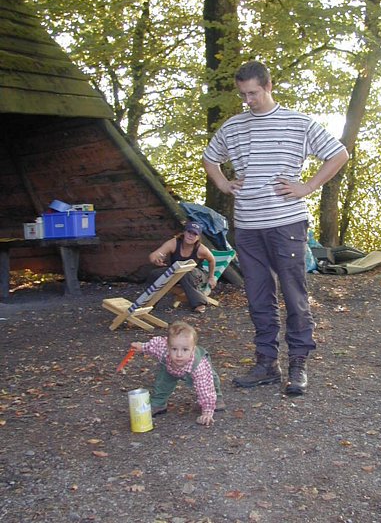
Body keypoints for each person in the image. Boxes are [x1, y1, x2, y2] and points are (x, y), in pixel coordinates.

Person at [202, 60, 349, 395]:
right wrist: (223, 183)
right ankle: (267, 363)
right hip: (247, 226)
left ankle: (298, 363)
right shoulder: (233, 127)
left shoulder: (298, 123)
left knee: (295, 296)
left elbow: (338, 154)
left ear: (268, 86)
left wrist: (307, 186)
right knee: (258, 297)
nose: (248, 100)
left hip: (287, 224)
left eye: (253, 93)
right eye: (243, 94)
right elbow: (210, 158)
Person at [131, 321, 225, 426]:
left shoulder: (199, 366)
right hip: (170, 367)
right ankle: (158, 403)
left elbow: (205, 389)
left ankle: (217, 399)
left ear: (192, 349)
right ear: (168, 347)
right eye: (174, 349)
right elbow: (154, 345)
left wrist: (207, 412)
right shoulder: (163, 348)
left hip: (191, 369)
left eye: (185, 349)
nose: (179, 354)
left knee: (210, 380)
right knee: (162, 384)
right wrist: (142, 347)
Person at [148, 221, 216, 313]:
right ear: (184, 232)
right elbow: (154, 255)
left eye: (195, 234)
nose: (191, 235)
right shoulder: (174, 243)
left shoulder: (201, 249)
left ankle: (199, 303)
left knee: (184, 272)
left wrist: (211, 277)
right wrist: (156, 259)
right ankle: (150, 302)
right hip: (176, 272)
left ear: (198, 237)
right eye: (189, 232)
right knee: (154, 274)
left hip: (195, 274)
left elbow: (212, 260)